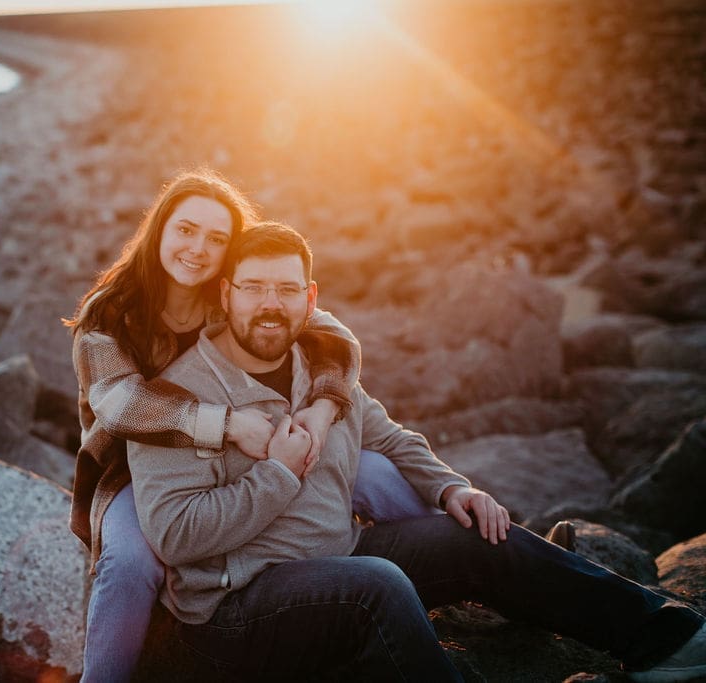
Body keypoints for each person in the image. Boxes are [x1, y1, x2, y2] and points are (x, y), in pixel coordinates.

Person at [127, 220, 706, 682]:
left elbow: (390, 436)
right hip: (239, 612)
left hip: (342, 555)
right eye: (252, 288)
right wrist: (276, 474)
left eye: (284, 289)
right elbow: (174, 535)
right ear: (225, 294)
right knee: (376, 586)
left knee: (476, 534)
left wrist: (453, 488)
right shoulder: (177, 396)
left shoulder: (320, 369)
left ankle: (665, 638)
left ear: (310, 297)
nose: (269, 304)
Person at [65, 170, 447, 682]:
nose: (197, 248)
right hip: (135, 472)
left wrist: (326, 402)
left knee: (373, 470)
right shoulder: (108, 317)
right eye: (185, 230)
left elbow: (333, 337)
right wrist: (225, 424)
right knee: (132, 561)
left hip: (242, 447)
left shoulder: (228, 294)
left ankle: (468, 551)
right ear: (159, 229)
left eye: (217, 238)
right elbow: (121, 405)